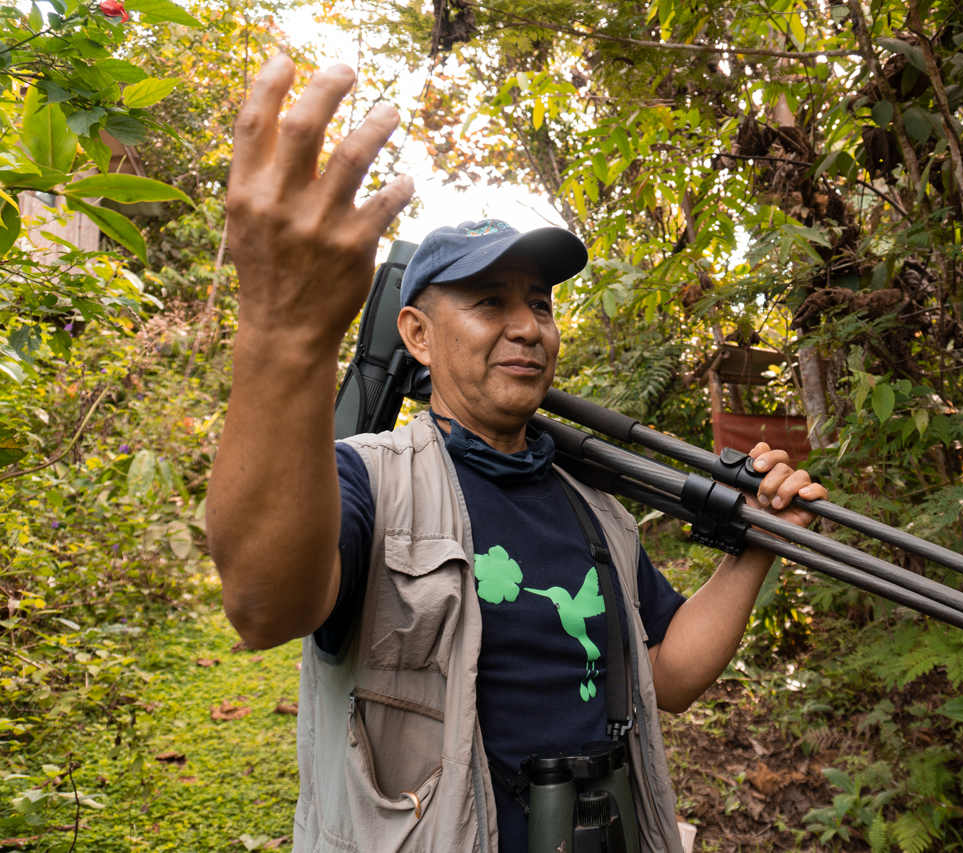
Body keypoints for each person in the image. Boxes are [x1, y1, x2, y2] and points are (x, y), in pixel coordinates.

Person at [207, 55, 829, 853]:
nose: (528, 325)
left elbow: (667, 672)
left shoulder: (593, 502)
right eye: (489, 301)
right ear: (418, 335)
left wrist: (756, 547)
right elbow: (262, 604)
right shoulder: (369, 480)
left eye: (539, 302)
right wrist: (283, 334)